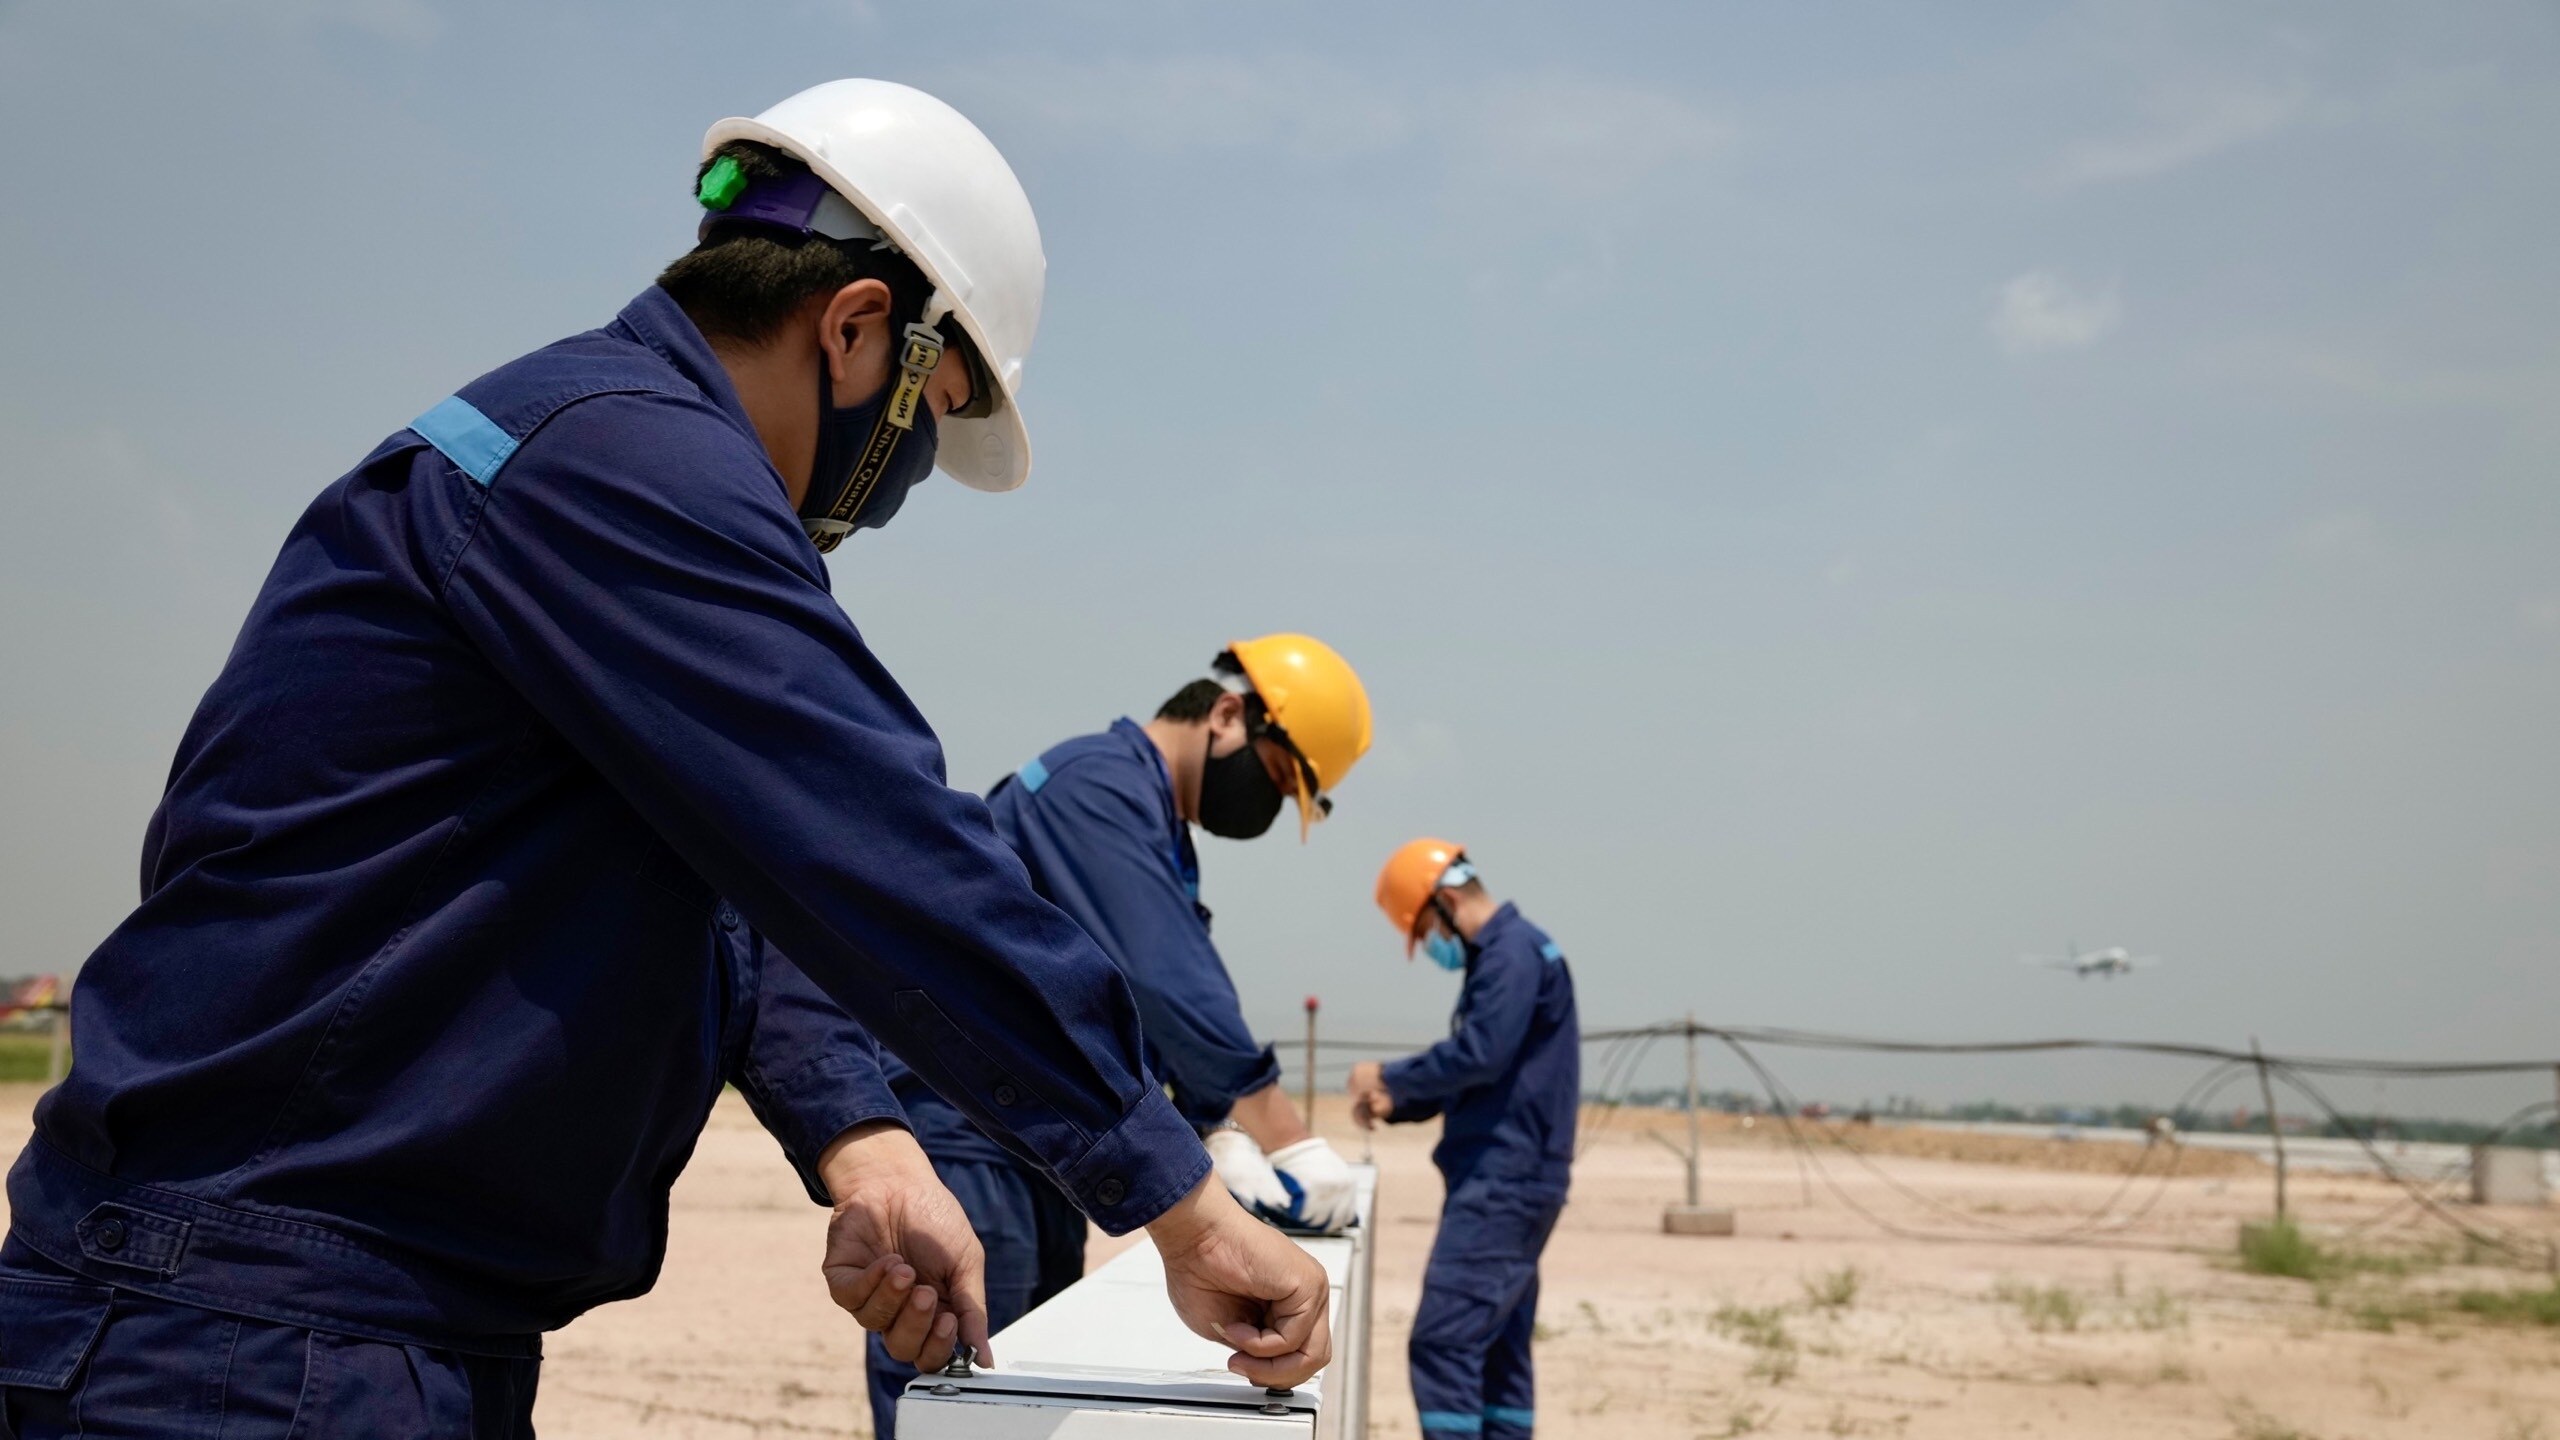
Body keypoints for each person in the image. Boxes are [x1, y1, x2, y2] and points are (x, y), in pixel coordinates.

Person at [0, 80, 1327, 1437]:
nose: (906, 485)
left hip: (307, 1313)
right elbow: (875, 841)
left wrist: (862, 1139)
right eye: (925, 437)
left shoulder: (587, 457)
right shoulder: (626, 465)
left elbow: (733, 876)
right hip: (243, 1327)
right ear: (859, 333)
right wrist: (1181, 1201)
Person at [865, 636, 1373, 1436]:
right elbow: (1170, 981)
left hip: (1045, 1154)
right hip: (967, 1140)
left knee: (1026, 1415)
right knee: (963, 1415)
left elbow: (1137, 996)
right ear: (1230, 715)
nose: (1268, 808)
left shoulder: (1154, 823)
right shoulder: (1092, 787)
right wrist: (1290, 1138)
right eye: (1276, 780)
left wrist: (1216, 1124)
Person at [1349, 840, 1579, 1440]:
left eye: (1426, 932)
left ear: (1446, 902)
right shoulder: (1516, 954)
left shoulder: (1509, 954)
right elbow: (1483, 1074)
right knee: (1498, 1350)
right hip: (1518, 1178)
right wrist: (1397, 1102)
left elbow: (1481, 1054)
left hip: (1503, 1183)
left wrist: (1388, 1077)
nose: (1431, 948)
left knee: (1443, 1342)